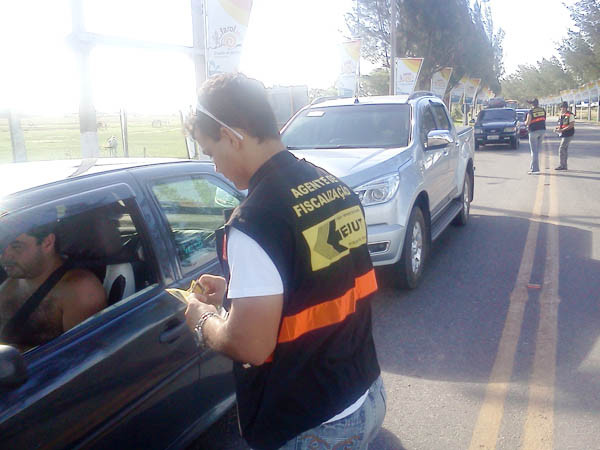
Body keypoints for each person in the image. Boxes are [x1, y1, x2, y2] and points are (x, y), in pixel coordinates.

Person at [183, 73, 385, 450]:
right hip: (365, 393)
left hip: (312, 423)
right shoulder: (333, 186)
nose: (214, 166)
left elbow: (249, 347)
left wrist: (202, 319)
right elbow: (323, 278)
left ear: (231, 135)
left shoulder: (254, 221)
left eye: (211, 152)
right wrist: (238, 292)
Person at [0, 221, 107, 351]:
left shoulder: (80, 289)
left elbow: (83, 356)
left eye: (16, 247)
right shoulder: (12, 280)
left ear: (47, 242)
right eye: (2, 246)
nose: (4, 256)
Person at [525, 98, 547, 174]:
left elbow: (528, 123)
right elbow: (544, 119)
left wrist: (523, 123)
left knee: (534, 151)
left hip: (533, 131)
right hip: (542, 130)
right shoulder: (543, 110)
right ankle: (533, 167)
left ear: (532, 104)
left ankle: (535, 169)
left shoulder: (531, 112)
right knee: (537, 150)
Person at [553, 101, 575, 170]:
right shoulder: (561, 115)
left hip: (569, 134)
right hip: (564, 133)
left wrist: (562, 130)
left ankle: (562, 165)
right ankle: (564, 165)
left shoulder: (570, 115)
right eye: (561, 108)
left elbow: (571, 125)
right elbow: (561, 125)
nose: (562, 109)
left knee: (562, 149)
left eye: (564, 107)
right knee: (564, 149)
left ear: (566, 108)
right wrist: (557, 128)